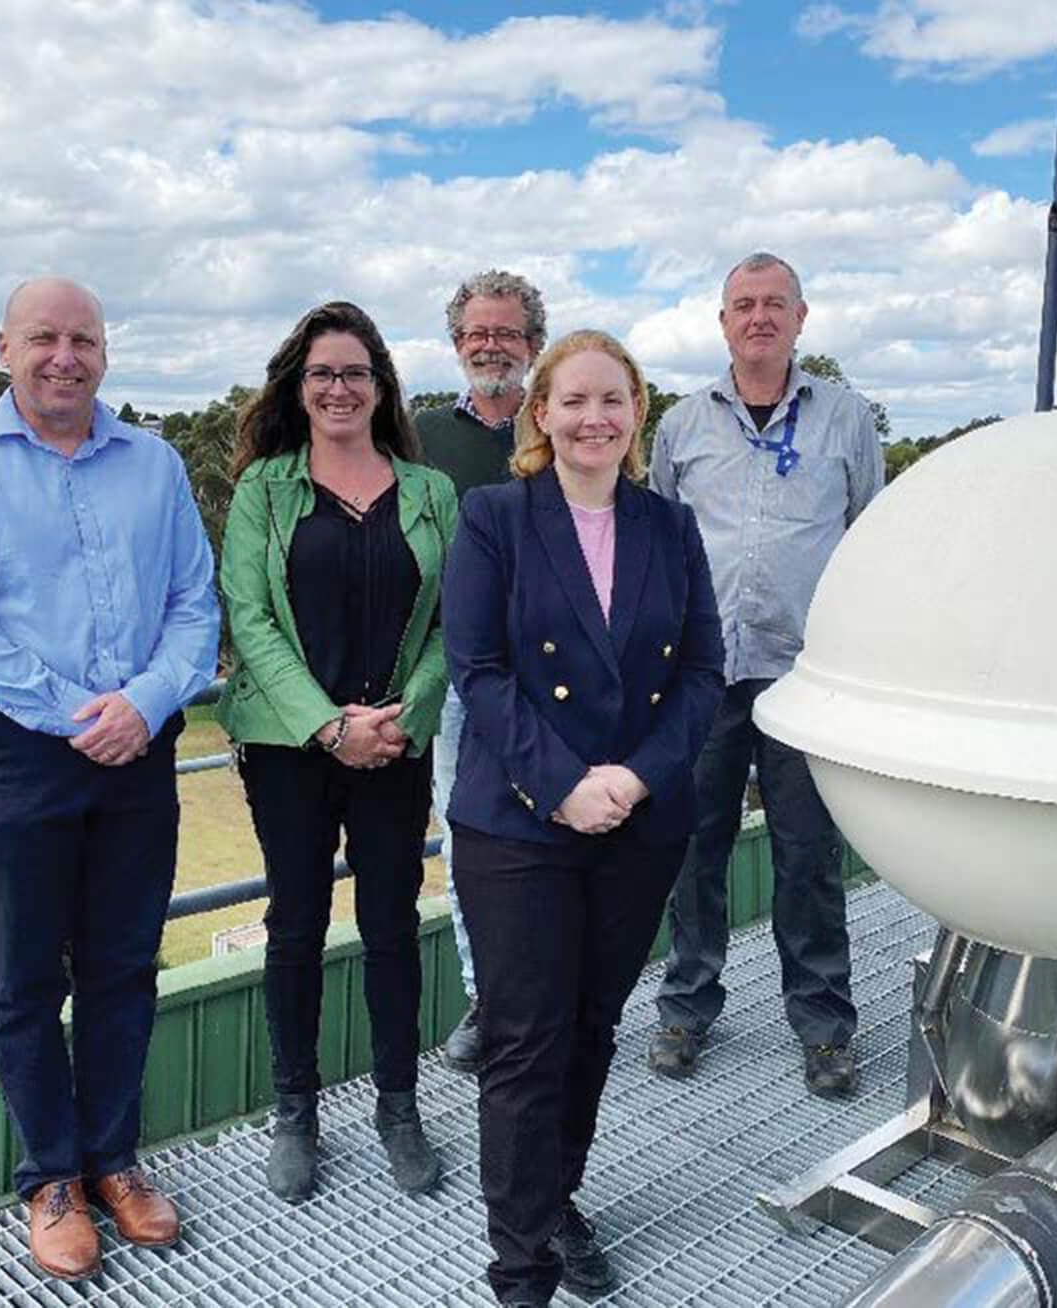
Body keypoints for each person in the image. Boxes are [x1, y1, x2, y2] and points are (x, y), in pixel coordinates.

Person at [0, 277, 220, 1281]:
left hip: (136, 744)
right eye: (44, 337)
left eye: (83, 338)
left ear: (105, 353)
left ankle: (114, 1161)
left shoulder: (156, 466)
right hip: (10, 754)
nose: (64, 356)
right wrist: (74, 713)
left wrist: (147, 702)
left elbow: (193, 606)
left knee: (124, 966)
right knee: (26, 978)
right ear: (4, 348)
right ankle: (51, 1181)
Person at [443, 330, 724, 1306]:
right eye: (574, 400)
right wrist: (563, 783)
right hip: (519, 824)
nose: (593, 418)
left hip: (639, 825)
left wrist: (638, 778)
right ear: (543, 414)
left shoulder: (669, 527)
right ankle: (521, 1271)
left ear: (636, 412)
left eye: (613, 400)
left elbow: (701, 672)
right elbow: (477, 671)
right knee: (526, 1039)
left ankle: (554, 1199)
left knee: (592, 1027)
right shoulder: (495, 519)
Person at [215, 301, 458, 1205]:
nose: (339, 388)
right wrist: (329, 725)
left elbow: (449, 622)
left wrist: (405, 714)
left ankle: (400, 1106)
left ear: (381, 385)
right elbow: (252, 620)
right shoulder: (265, 490)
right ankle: (297, 1113)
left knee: (394, 925)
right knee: (296, 926)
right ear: (298, 386)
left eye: (355, 372)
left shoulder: (430, 493)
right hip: (290, 749)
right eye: (322, 373)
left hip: (396, 745)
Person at [647, 252, 885, 1097]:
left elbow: (867, 541)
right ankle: (686, 1010)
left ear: (800, 316)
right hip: (703, 676)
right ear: (722, 322)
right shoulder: (680, 427)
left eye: (773, 304)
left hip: (803, 679)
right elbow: (659, 553)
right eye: (742, 305)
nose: (758, 317)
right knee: (692, 849)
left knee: (808, 857)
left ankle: (824, 1027)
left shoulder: (846, 418)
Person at [414, 269, 547, 1075]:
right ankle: (489, 1000)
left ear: (532, 341)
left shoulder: (566, 418)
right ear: (457, 343)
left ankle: (557, 997)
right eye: (475, 333)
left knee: (558, 835)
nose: (490, 345)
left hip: (560, 673)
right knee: (470, 839)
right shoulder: (421, 434)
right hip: (461, 673)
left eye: (505, 332)